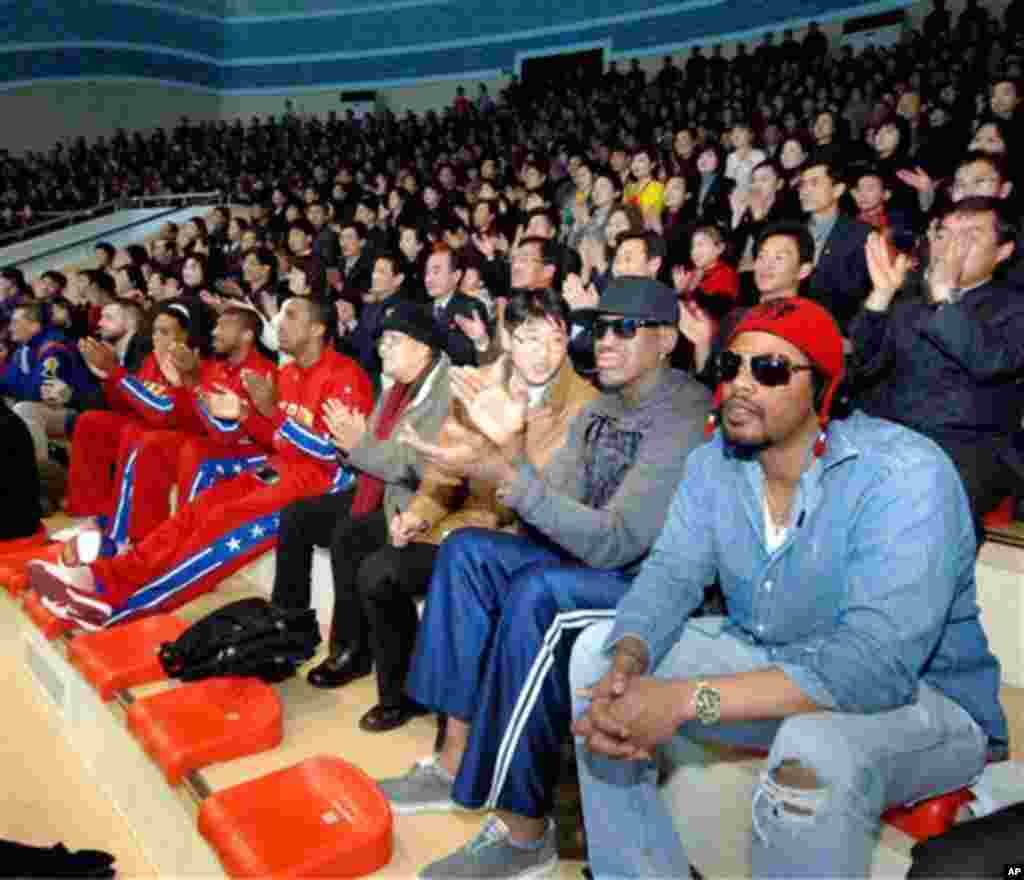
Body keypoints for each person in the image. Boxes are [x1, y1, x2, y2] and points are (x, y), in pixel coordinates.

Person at [570, 297, 1007, 880]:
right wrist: (630, 660)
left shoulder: (904, 474)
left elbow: (870, 668)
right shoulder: (713, 465)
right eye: (732, 368)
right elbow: (671, 576)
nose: (741, 386)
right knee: (594, 659)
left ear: (823, 387)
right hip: (774, 656)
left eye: (771, 371)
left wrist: (681, 700)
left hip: (921, 701)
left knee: (815, 747)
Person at [377, 277, 711, 879]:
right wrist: (507, 450)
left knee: (539, 596)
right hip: (593, 563)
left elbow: (617, 542)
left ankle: (524, 831)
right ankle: (451, 760)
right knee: (468, 552)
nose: (605, 341)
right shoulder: (607, 407)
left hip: (641, 583)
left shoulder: (683, 413)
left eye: (624, 329)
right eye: (601, 327)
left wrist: (507, 466)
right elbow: (550, 500)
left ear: (666, 340)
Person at [29, 297, 374, 630]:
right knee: (196, 511)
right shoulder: (287, 375)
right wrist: (244, 414)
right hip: (278, 468)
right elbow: (269, 436)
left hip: (318, 485)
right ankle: (106, 576)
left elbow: (337, 456)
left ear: (318, 328)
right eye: (281, 314)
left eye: (292, 315)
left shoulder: (346, 376)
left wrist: (272, 415)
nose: (280, 323)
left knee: (220, 520)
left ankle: (116, 607)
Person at [271, 301, 453, 696]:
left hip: (425, 505)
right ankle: (287, 633)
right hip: (380, 488)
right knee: (298, 517)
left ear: (423, 347)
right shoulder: (397, 389)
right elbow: (367, 452)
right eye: (382, 340)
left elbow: (419, 468)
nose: (382, 349)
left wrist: (358, 445)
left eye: (392, 340)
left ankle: (352, 650)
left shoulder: (445, 391)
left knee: (351, 536)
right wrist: (347, 443)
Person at [849, 197, 1024, 542]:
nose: (952, 246)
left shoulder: (1014, 309)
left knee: (917, 510)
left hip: (965, 448)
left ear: (1003, 252)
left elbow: (990, 361)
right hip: (890, 437)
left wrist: (946, 297)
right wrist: (881, 297)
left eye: (971, 236)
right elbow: (862, 368)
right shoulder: (910, 302)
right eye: (944, 235)